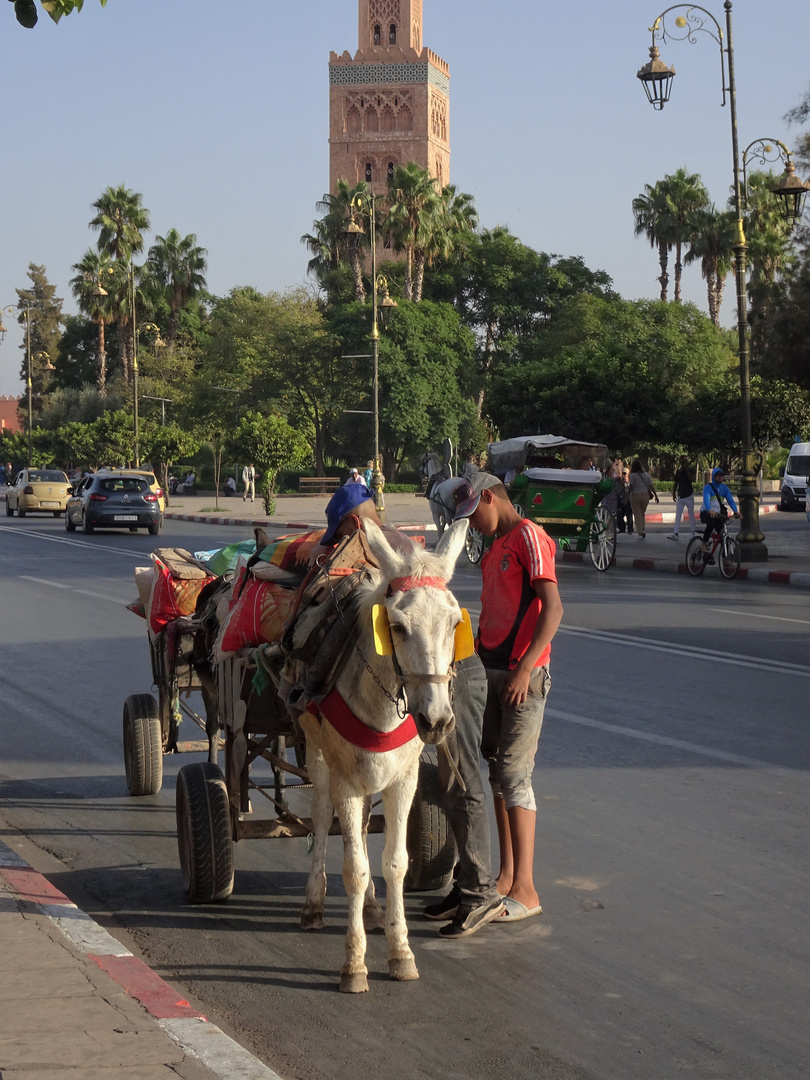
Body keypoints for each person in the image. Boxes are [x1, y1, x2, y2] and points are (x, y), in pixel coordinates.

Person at [317, 483, 505, 939]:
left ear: (351, 524)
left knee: (462, 779)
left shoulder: (390, 554)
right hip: (424, 675)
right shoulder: (381, 549)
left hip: (445, 676)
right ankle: (466, 886)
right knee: (447, 782)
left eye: (342, 531)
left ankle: (479, 891)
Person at [453, 474, 564, 923]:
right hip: (492, 671)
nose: (473, 524)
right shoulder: (494, 548)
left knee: (515, 776)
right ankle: (504, 879)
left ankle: (527, 889)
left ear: (489, 497)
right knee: (496, 773)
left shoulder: (529, 537)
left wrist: (523, 668)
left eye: (473, 514)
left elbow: (552, 608)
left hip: (523, 675)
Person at [700, 467, 740, 562]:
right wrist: (709, 510)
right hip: (706, 513)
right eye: (718, 476)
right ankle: (704, 544)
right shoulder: (708, 487)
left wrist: (736, 511)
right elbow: (706, 500)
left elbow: (730, 500)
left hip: (718, 514)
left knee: (723, 536)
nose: (720, 477)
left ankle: (725, 558)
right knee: (711, 524)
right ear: (714, 477)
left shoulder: (724, 488)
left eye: (722, 476)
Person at [668, 455, 697, 541]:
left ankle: (692, 532)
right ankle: (676, 533)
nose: (683, 462)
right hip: (681, 495)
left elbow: (692, 479)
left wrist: (686, 469)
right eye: (682, 461)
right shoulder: (679, 471)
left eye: (684, 461)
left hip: (689, 495)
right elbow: (676, 482)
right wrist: (674, 493)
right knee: (678, 515)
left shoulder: (690, 469)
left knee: (691, 514)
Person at [627, 459, 658, 538]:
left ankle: (640, 531)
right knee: (642, 513)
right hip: (645, 496)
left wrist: (627, 495)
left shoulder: (633, 476)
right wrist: (656, 496)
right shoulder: (646, 475)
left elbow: (631, 486)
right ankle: (643, 529)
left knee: (637, 513)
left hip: (635, 495)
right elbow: (651, 486)